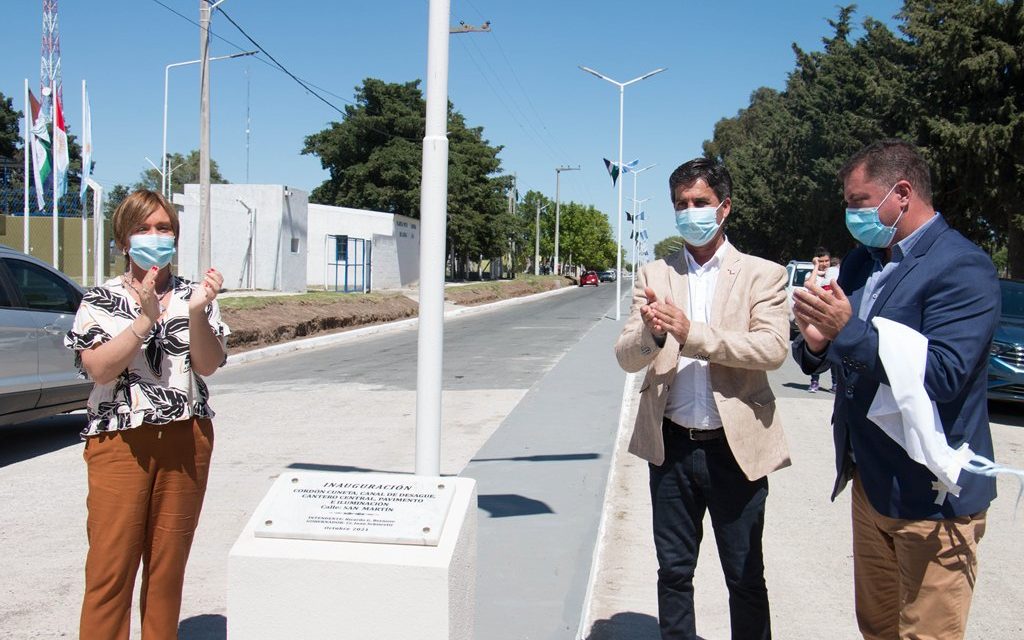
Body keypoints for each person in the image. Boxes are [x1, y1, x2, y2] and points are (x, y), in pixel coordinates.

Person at [791, 139, 998, 640]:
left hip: (932, 499)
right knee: (878, 629)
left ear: (901, 193)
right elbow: (843, 352)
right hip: (872, 484)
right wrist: (815, 345)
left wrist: (850, 332)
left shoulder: (962, 267)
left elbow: (946, 374)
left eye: (859, 201)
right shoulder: (863, 261)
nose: (850, 214)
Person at [614, 158, 790, 640]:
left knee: (745, 577)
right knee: (673, 573)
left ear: (724, 207)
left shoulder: (762, 275)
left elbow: (773, 349)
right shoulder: (655, 274)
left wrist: (694, 335)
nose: (689, 213)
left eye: (699, 203)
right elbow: (626, 357)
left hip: (734, 450)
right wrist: (650, 335)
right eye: (680, 205)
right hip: (670, 448)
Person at [65, 189, 230, 639]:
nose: (154, 236)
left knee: (167, 568)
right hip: (120, 443)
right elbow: (99, 368)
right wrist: (144, 321)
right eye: (143, 228)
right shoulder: (100, 300)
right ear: (123, 240)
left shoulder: (196, 295)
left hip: (186, 437)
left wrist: (196, 312)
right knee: (110, 568)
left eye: (164, 228)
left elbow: (208, 363)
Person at [806, 246, 840, 393]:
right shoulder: (813, 274)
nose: (824, 263)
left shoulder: (835, 273)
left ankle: (835, 384)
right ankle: (814, 382)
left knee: (835, 352)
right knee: (818, 350)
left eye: (826, 260)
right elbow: (809, 286)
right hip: (818, 318)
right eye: (821, 261)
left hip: (833, 318)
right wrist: (815, 267)